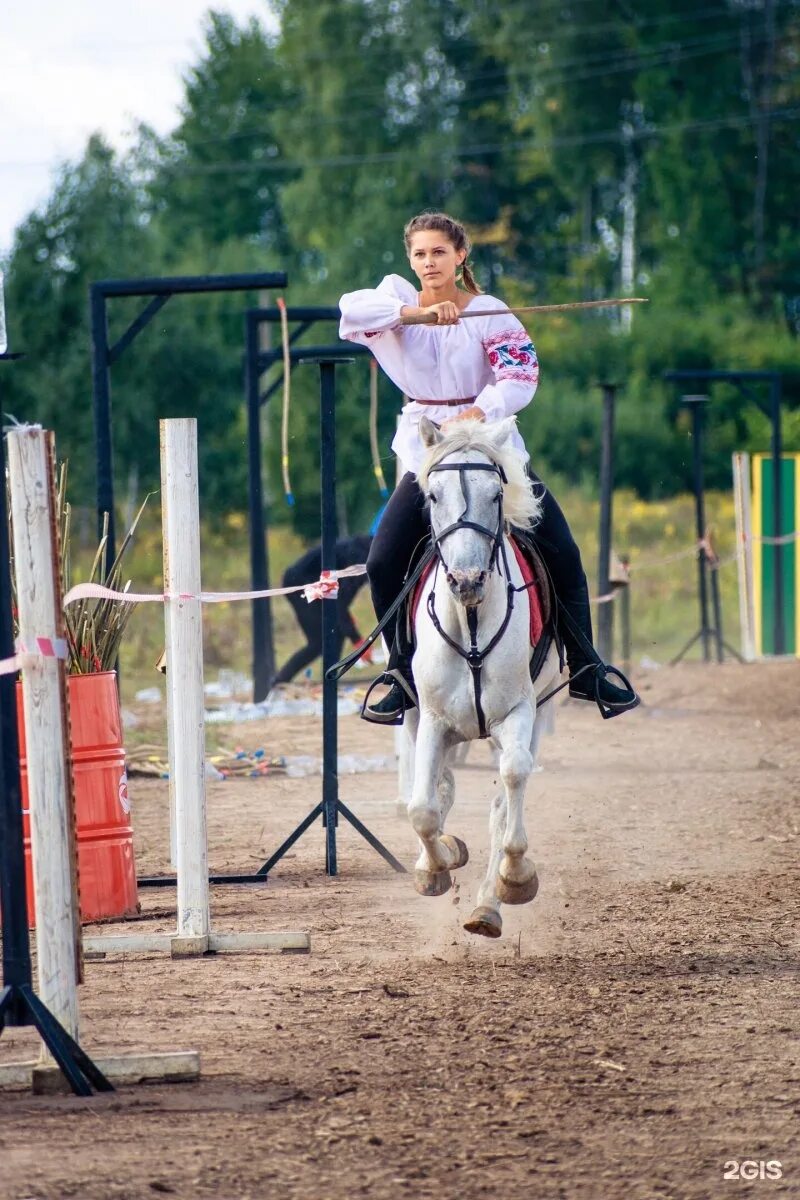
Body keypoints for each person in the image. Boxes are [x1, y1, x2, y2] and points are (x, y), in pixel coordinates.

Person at [339, 210, 638, 724]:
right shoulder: (391, 303)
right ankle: (400, 673)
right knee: (384, 558)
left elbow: (521, 375)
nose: (429, 262)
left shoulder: (490, 311)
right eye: (419, 254)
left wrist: (480, 410)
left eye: (439, 252)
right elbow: (349, 311)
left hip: (490, 447)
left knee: (560, 546)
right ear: (409, 260)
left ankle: (587, 666)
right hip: (426, 454)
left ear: (460, 256)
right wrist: (420, 317)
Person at [270, 533, 374, 688]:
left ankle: (330, 683)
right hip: (300, 582)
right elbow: (339, 601)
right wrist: (357, 640)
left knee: (337, 631)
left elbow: (339, 597)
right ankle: (279, 682)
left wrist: (346, 618)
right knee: (318, 642)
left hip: (318, 582)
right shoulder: (363, 560)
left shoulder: (365, 551)